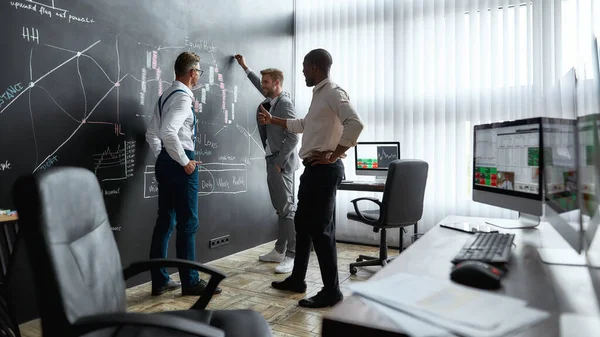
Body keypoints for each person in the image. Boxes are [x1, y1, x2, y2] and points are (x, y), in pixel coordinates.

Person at [260, 49, 364, 308]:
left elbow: (355, 124)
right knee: (303, 227)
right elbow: (304, 124)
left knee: (321, 231)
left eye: (305, 67)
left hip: (324, 170)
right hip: (313, 169)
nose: (303, 71)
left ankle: (332, 292)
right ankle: (298, 280)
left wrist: (334, 155)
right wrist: (274, 120)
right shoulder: (319, 95)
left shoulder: (333, 93)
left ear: (315, 67)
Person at [145, 52, 221, 296]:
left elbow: (151, 134)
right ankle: (190, 281)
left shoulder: (165, 95)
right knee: (188, 222)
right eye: (198, 71)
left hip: (167, 162)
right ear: (191, 72)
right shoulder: (183, 99)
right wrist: (184, 161)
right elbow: (168, 132)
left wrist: (163, 157)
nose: (199, 75)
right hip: (179, 162)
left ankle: (160, 280)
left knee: (165, 222)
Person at [234, 54, 301, 274]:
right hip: (272, 160)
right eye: (262, 82)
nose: (262, 86)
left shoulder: (285, 104)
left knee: (288, 209)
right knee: (280, 209)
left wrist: (279, 163)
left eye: (266, 82)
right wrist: (245, 68)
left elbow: (294, 135)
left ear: (277, 83)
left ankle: (292, 255)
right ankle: (279, 249)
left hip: (281, 163)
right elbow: (258, 85)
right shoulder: (271, 100)